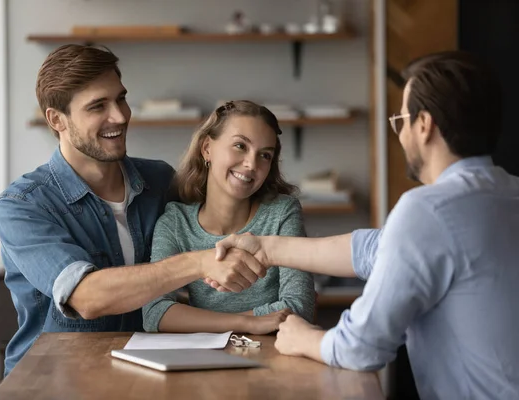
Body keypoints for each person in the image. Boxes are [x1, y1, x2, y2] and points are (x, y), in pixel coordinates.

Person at [210, 51, 519, 399]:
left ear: (424, 125)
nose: (400, 134)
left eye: (401, 120)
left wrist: (303, 337)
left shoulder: (429, 209)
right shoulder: (505, 195)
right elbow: (376, 249)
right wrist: (265, 248)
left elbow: (360, 348)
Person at [0, 45, 266, 375]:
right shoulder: (22, 205)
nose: (121, 116)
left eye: (121, 99)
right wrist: (198, 262)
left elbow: (219, 229)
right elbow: (86, 297)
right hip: (52, 379)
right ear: (57, 119)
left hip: (147, 372)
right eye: (98, 106)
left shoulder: (161, 180)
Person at [142, 100, 316, 334]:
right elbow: (154, 314)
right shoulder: (175, 223)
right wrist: (245, 323)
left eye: (265, 155)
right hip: (202, 357)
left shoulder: (282, 212)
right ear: (207, 149)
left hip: (273, 355)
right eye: (240, 146)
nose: (251, 164)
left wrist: (202, 321)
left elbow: (299, 306)